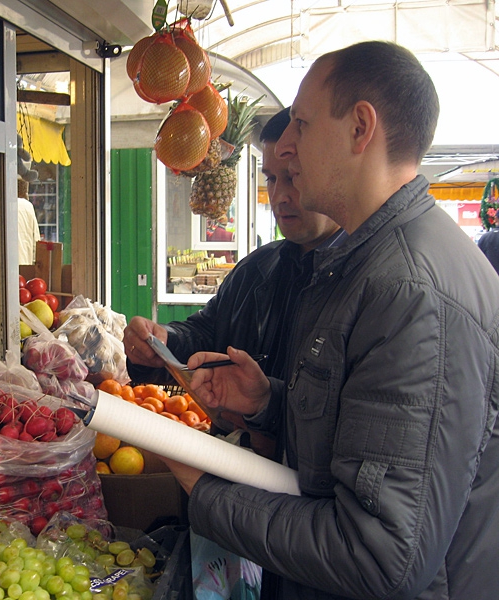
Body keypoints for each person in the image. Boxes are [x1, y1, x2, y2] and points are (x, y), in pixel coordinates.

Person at [163, 41, 499, 599]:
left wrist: (207, 492)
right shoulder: (365, 263)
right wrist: (271, 405)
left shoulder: (409, 292)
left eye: (301, 124)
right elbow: (364, 445)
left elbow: (377, 553)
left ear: (360, 128)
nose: (288, 148)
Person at [124, 107, 346, 457]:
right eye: (272, 179)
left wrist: (265, 408)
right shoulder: (258, 269)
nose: (280, 196)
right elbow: (208, 333)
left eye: (294, 176)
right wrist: (164, 342)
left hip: (309, 497)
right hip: (233, 477)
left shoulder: (361, 283)